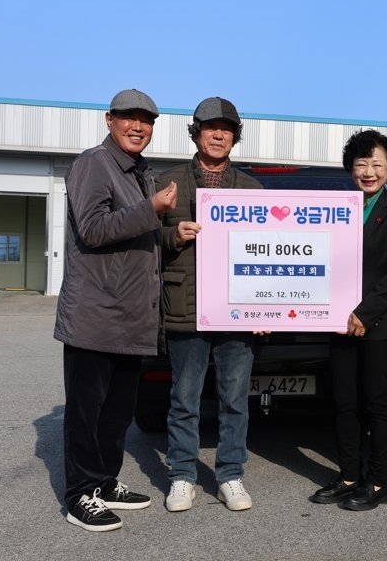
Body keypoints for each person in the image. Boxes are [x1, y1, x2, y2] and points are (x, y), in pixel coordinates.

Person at [55, 89, 177, 532]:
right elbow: (92, 228)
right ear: (110, 120)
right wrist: (152, 209)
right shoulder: (94, 164)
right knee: (86, 413)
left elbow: (139, 239)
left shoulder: (141, 172)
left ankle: (104, 482)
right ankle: (79, 495)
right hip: (95, 315)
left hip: (131, 318)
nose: (137, 127)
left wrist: (171, 230)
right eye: (128, 118)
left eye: (146, 120)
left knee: (117, 412)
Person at [157, 97, 262, 513]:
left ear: (235, 136)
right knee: (184, 399)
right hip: (186, 304)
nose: (219, 135)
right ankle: (182, 476)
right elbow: (144, 241)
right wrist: (172, 236)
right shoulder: (167, 183)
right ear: (196, 132)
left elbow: (266, 252)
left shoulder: (252, 189)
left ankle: (230, 475)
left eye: (227, 129)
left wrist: (266, 308)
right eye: (211, 127)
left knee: (235, 400)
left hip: (237, 310)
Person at [310, 129, 387, 511]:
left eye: (376, 164)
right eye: (361, 164)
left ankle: (379, 482)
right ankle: (349, 476)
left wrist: (365, 313)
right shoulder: (334, 212)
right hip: (340, 323)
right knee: (345, 403)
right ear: (350, 168)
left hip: (381, 325)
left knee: (377, 403)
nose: (368, 172)